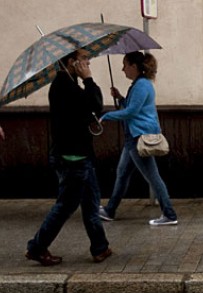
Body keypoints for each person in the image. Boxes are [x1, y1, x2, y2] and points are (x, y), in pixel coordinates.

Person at [25, 49, 112, 266]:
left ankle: (100, 247)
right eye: (83, 59)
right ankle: (37, 247)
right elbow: (95, 103)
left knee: (91, 203)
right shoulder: (64, 86)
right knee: (65, 205)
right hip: (72, 157)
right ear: (71, 62)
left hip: (81, 154)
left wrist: (89, 121)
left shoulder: (69, 85)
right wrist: (89, 79)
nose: (88, 62)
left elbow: (83, 112)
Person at [99, 51, 178, 226]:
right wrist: (120, 97)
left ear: (134, 66)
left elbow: (132, 112)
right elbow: (131, 106)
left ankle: (170, 214)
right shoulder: (138, 84)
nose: (122, 69)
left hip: (139, 137)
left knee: (152, 177)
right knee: (122, 174)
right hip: (132, 138)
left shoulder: (142, 85)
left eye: (125, 65)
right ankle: (110, 210)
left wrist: (106, 117)